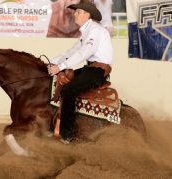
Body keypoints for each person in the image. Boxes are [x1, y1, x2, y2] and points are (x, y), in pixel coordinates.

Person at [47, 0, 114, 143]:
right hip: (91, 69)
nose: (74, 14)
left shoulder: (95, 31)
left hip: (97, 71)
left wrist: (60, 67)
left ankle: (67, 134)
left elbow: (83, 53)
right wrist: (51, 62)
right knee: (60, 81)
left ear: (86, 14)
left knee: (68, 90)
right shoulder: (87, 32)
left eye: (78, 11)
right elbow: (72, 52)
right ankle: (54, 123)